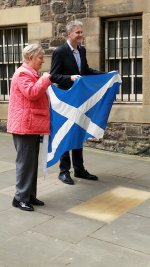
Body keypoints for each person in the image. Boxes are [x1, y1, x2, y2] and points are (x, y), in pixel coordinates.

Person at [50, 20, 104, 185]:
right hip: (66, 101)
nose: (81, 35)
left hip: (80, 100)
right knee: (67, 133)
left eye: (82, 32)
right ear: (69, 34)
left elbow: (86, 71)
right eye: (78, 32)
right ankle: (64, 171)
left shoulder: (82, 50)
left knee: (79, 133)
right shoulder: (60, 52)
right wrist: (70, 78)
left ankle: (79, 169)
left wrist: (106, 75)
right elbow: (53, 76)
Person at [7, 44, 51, 211]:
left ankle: (29, 196)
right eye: (40, 57)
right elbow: (32, 93)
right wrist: (45, 79)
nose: (43, 60)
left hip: (30, 125)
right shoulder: (23, 73)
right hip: (24, 126)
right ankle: (20, 198)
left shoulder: (30, 73)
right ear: (31, 58)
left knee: (31, 164)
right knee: (25, 164)